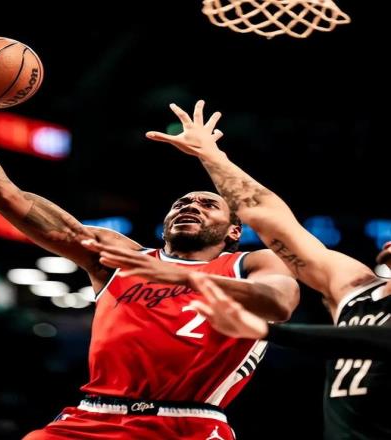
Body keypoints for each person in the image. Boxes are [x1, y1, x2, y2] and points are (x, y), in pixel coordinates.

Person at [0, 46, 299, 440]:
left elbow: (280, 302)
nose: (191, 206)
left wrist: (189, 279)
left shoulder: (250, 263)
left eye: (207, 204)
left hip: (187, 423)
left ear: (234, 232)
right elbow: (6, 197)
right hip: (90, 420)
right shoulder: (119, 257)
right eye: (181, 203)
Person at [101, 99, 387, 440]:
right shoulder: (356, 287)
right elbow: (267, 215)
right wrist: (212, 156)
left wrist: (269, 332)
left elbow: (380, 339)